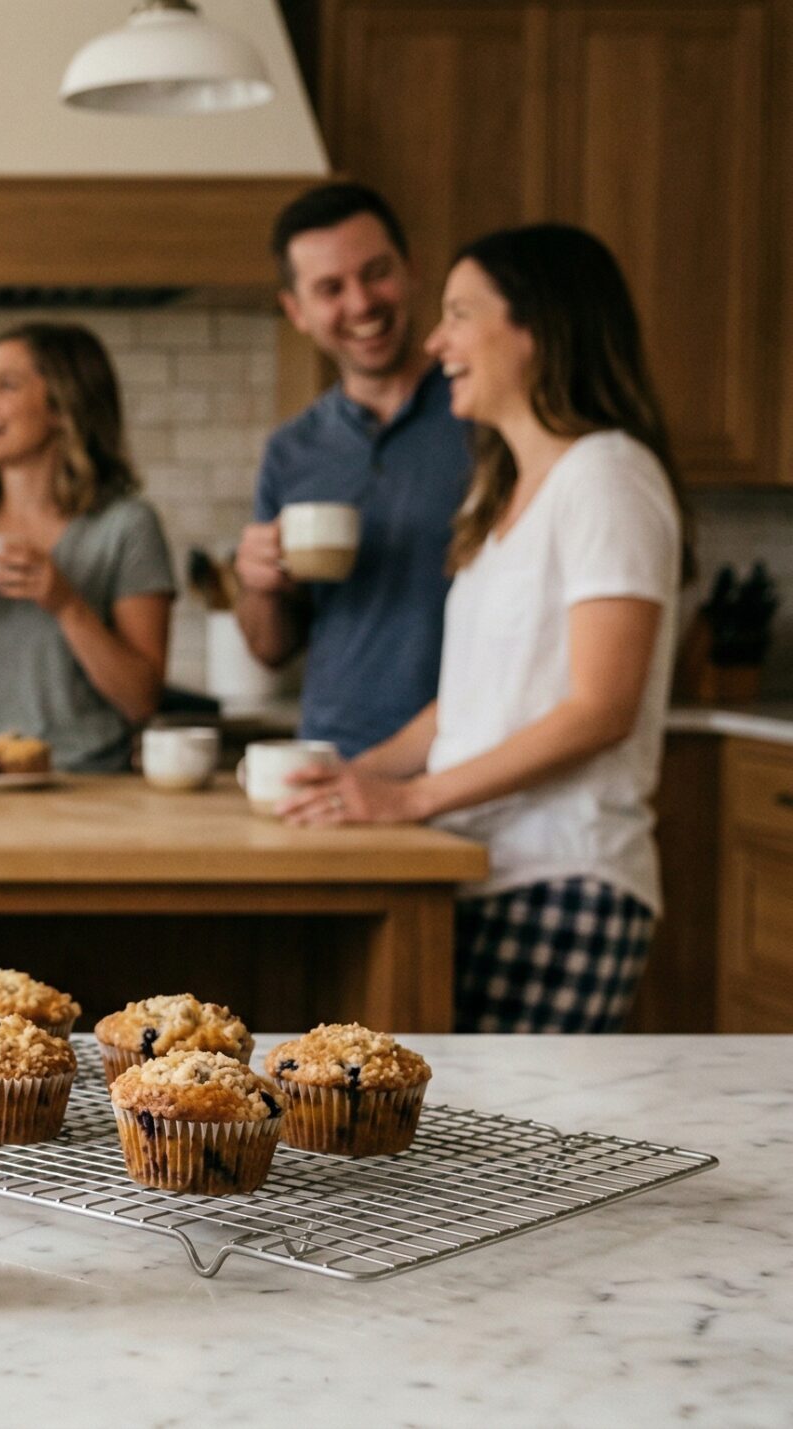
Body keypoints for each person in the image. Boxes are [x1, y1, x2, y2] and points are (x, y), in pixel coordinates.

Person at [280, 224, 689, 1035]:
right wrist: (347, 782)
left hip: (563, 878)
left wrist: (413, 797)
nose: (437, 341)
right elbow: (463, 705)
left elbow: (600, 706)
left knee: (517, 1153)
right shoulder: (499, 496)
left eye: (461, 313)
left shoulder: (606, 476)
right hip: (481, 870)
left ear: (537, 326)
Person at [237, 183, 471, 756]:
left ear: (413, 270)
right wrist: (257, 585)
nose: (362, 303)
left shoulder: (482, 413)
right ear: (296, 311)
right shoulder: (293, 450)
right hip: (334, 752)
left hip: (466, 750)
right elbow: (272, 648)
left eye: (376, 272)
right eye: (330, 288)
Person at [0, 323, 174, 772]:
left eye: (6, 386)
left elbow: (140, 699)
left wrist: (66, 604)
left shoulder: (126, 526)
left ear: (63, 408)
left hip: (82, 782)